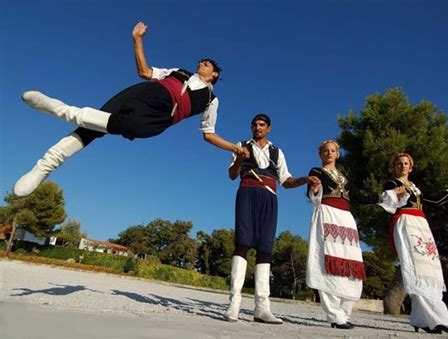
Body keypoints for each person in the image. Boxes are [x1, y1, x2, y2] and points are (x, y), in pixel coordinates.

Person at [14, 22, 248, 197]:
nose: (202, 62)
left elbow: (208, 133)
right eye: (201, 61)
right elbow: (145, 73)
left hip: (161, 116)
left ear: (215, 74)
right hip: (144, 92)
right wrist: (137, 40)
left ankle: (59, 108)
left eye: (208, 63)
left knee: (125, 126)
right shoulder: (179, 70)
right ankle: (44, 167)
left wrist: (234, 148)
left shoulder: (211, 99)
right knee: (90, 129)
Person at [224, 113, 320, 324]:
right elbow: (232, 174)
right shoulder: (241, 145)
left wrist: (305, 179)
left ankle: (262, 307)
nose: (258, 128)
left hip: (270, 196)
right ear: (251, 128)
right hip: (247, 193)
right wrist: (240, 158)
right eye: (255, 125)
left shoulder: (277, 152)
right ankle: (234, 303)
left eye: (262, 125)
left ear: (269, 128)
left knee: (265, 247)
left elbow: (286, 180)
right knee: (242, 243)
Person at [378, 152, 448, 334]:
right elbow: (388, 200)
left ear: (411, 167)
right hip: (406, 223)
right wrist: (394, 194)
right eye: (399, 164)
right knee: (416, 269)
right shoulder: (393, 184)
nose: (402, 166)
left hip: (421, 224)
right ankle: (440, 319)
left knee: (430, 270)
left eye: (406, 163)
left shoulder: (415, 187)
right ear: (394, 167)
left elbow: (431, 201)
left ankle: (421, 319)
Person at [305, 140, 379, 330]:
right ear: (320, 154)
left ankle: (344, 313)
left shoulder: (344, 177)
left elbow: (360, 198)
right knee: (329, 262)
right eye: (325, 151)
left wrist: (387, 195)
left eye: (332, 151)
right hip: (327, 214)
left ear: (337, 154)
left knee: (350, 264)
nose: (329, 153)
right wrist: (314, 189)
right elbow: (311, 192)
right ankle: (334, 315)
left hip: (346, 219)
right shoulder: (317, 172)